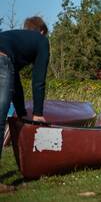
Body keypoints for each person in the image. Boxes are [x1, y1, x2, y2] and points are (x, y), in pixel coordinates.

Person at [0, 16, 49, 193]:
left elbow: (16, 83)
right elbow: (38, 79)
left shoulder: (14, 39)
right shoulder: (42, 40)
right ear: (42, 31)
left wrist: (20, 112)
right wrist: (37, 112)